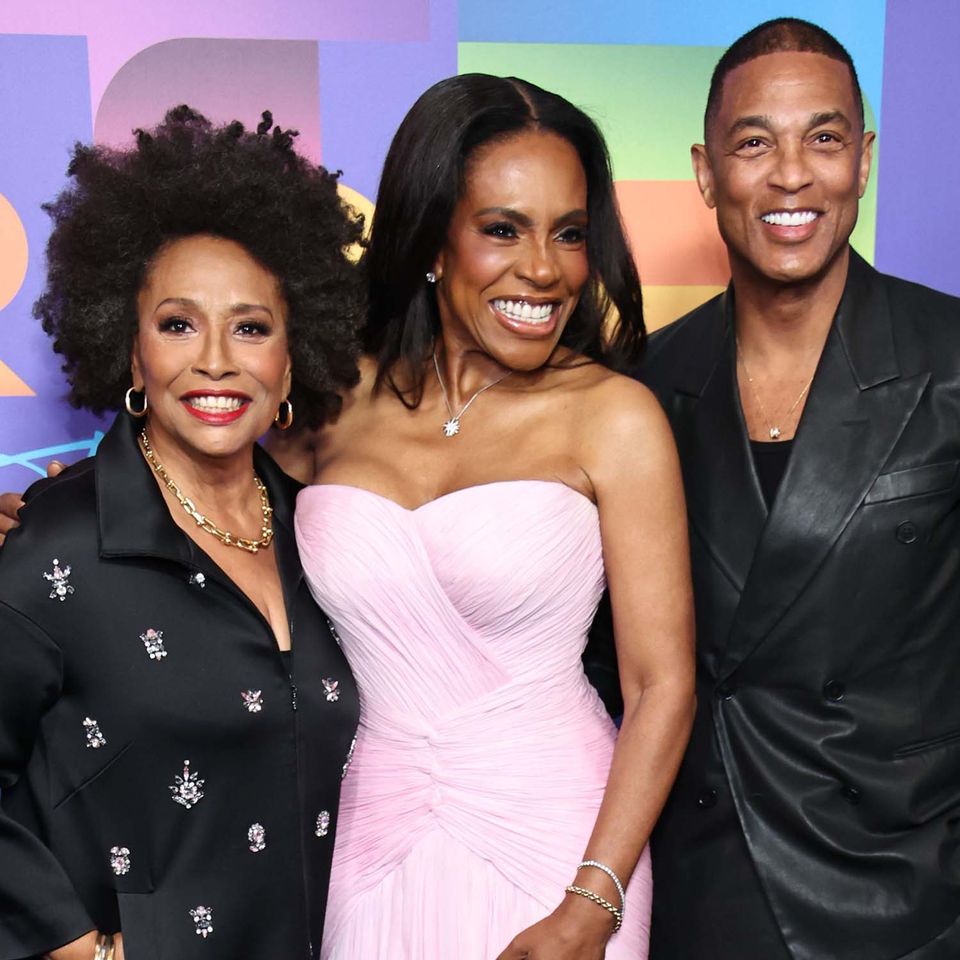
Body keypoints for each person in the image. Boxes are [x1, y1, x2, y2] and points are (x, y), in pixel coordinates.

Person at [269, 73, 696, 960]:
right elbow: (201, 504)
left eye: (569, 234)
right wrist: (50, 515)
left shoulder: (615, 417)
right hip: (372, 834)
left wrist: (594, 904)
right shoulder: (330, 401)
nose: (543, 269)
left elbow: (662, 686)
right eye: (503, 229)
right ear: (431, 239)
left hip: (561, 846)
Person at [600, 17, 960, 960]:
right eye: (754, 142)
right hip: (702, 886)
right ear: (707, 172)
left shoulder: (952, 361)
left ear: (866, 160)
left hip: (910, 890)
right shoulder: (639, 389)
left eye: (825, 138)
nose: (791, 175)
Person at [0, 106, 363, 959]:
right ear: (131, 355)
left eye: (250, 327)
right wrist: (76, 949)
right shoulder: (56, 549)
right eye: (177, 324)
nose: (214, 361)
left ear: (288, 360)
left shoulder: (326, 541)